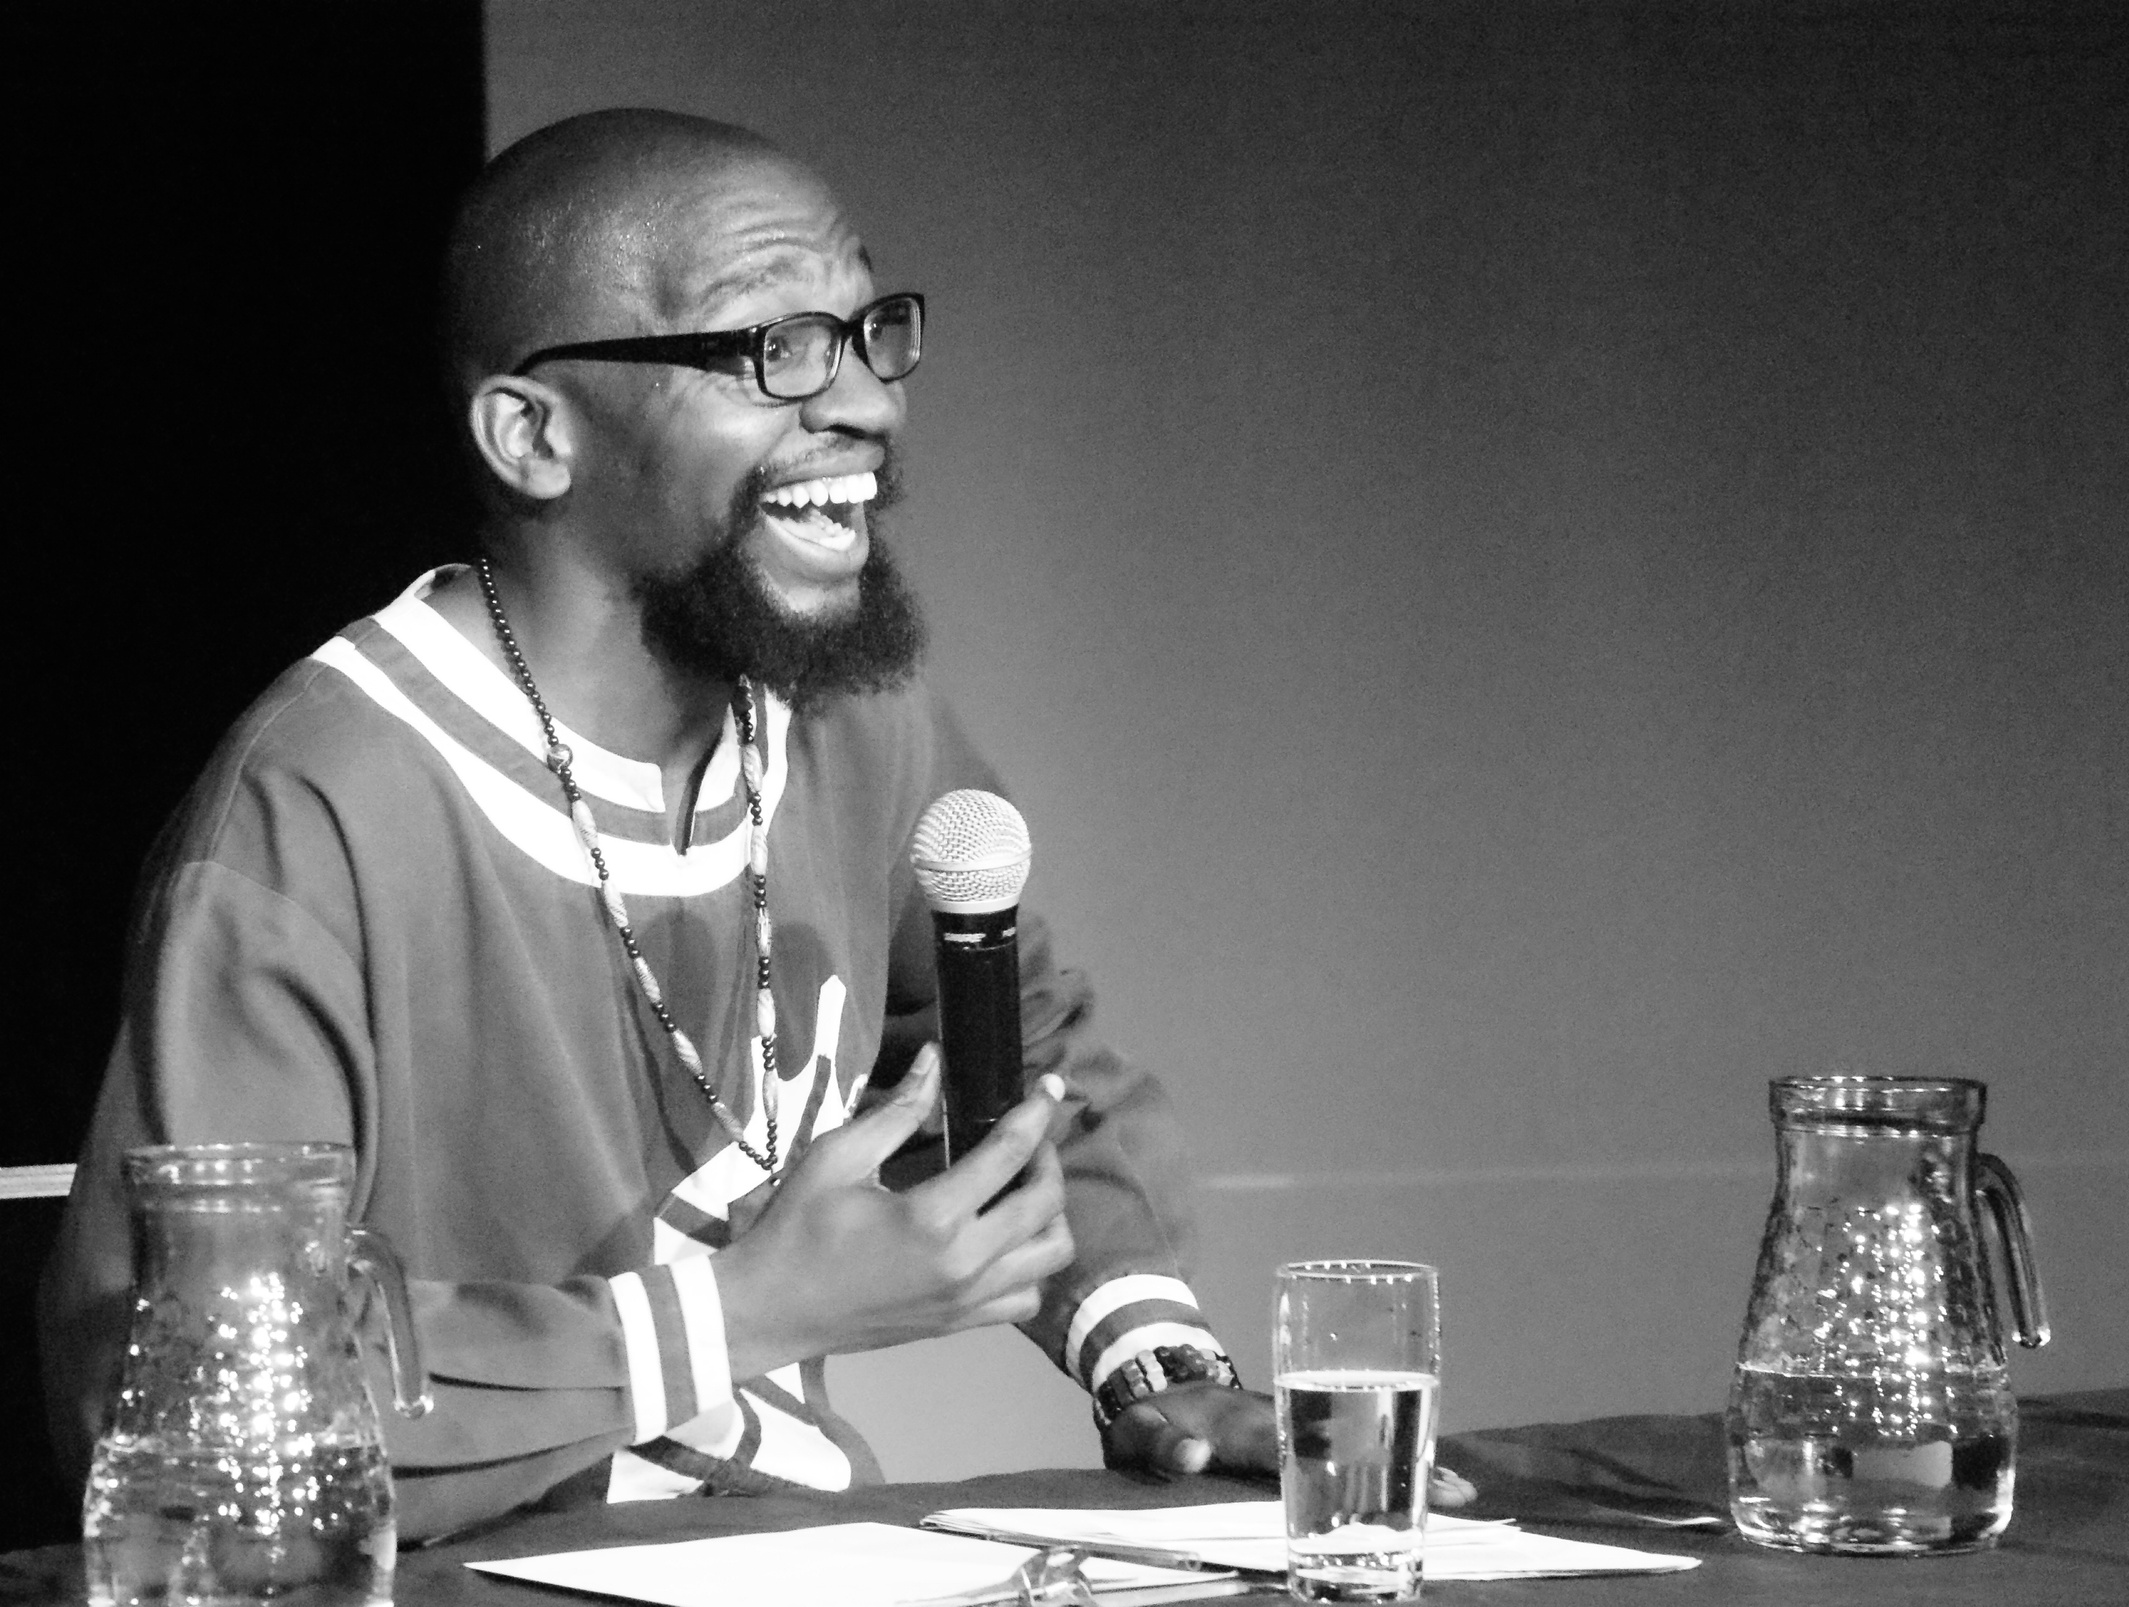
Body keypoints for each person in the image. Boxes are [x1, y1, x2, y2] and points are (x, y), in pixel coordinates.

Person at [38, 107, 1274, 1540]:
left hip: (807, 1559)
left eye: (869, 331)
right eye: (774, 349)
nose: (866, 402)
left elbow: (1019, 1058)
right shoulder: (322, 807)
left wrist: (1153, 1360)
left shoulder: (855, 722)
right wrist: (726, 1317)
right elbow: (197, 1397)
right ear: (534, 434)